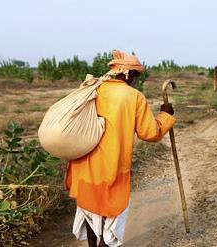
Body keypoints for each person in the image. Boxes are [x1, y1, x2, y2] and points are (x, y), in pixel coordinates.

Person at [64, 50, 176, 247]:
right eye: (134, 75)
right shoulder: (133, 97)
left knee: (91, 211)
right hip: (111, 168)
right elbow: (150, 133)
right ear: (126, 74)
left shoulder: (93, 88)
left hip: (83, 166)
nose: (134, 80)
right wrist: (165, 116)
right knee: (109, 213)